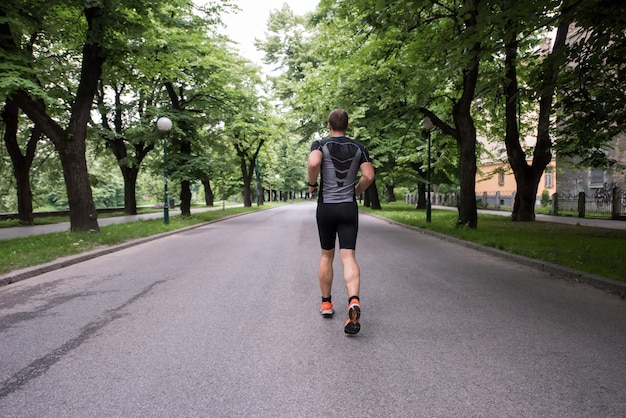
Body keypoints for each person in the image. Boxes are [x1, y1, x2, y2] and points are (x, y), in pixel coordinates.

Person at [307, 109, 375, 335]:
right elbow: (368, 176)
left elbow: (314, 162)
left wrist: (312, 183)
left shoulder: (320, 144)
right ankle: (353, 300)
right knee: (349, 256)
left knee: (327, 254)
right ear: (347, 125)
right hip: (348, 207)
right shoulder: (359, 148)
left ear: (329, 125)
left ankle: (326, 303)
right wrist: (356, 190)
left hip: (326, 207)